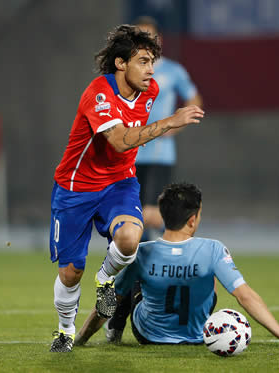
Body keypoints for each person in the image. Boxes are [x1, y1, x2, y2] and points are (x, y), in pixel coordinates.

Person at [49, 25, 204, 352]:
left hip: (119, 183)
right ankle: (64, 331)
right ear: (121, 64)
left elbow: (126, 147)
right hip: (75, 188)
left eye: (153, 61)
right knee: (71, 272)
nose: (151, 70)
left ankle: (106, 279)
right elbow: (119, 141)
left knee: (130, 238)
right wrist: (169, 122)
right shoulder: (99, 93)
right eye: (144, 61)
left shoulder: (149, 90)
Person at [74, 183, 279, 348]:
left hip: (148, 335)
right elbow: (245, 296)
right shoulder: (213, 249)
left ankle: (115, 329)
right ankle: (191, 322)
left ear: (163, 216)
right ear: (193, 218)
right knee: (210, 278)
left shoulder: (142, 251)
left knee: (126, 280)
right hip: (197, 336)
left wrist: (81, 338)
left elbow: (108, 302)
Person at [134, 16, 203, 241]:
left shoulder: (172, 71)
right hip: (130, 150)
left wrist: (178, 123)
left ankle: (184, 227)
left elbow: (194, 98)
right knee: (134, 215)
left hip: (158, 152)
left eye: (149, 36)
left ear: (159, 40)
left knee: (150, 213)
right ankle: (141, 263)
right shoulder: (127, 72)